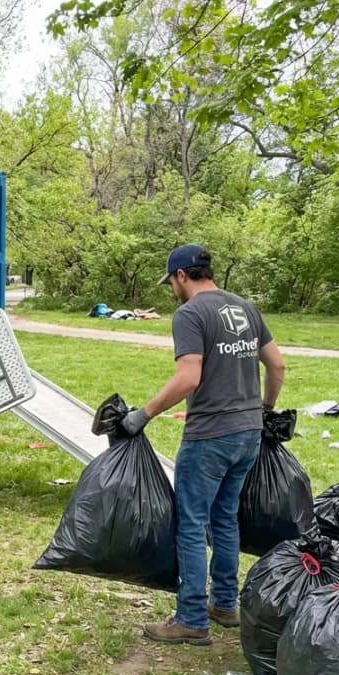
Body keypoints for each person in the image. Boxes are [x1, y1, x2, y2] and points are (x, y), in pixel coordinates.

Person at [123, 244, 285, 645]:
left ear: (181, 276)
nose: (172, 290)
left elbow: (188, 378)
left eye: (171, 282)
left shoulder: (191, 314)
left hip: (210, 435)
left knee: (193, 523)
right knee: (224, 517)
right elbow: (277, 365)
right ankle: (225, 603)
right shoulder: (246, 308)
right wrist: (264, 409)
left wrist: (143, 414)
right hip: (248, 433)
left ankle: (192, 618)